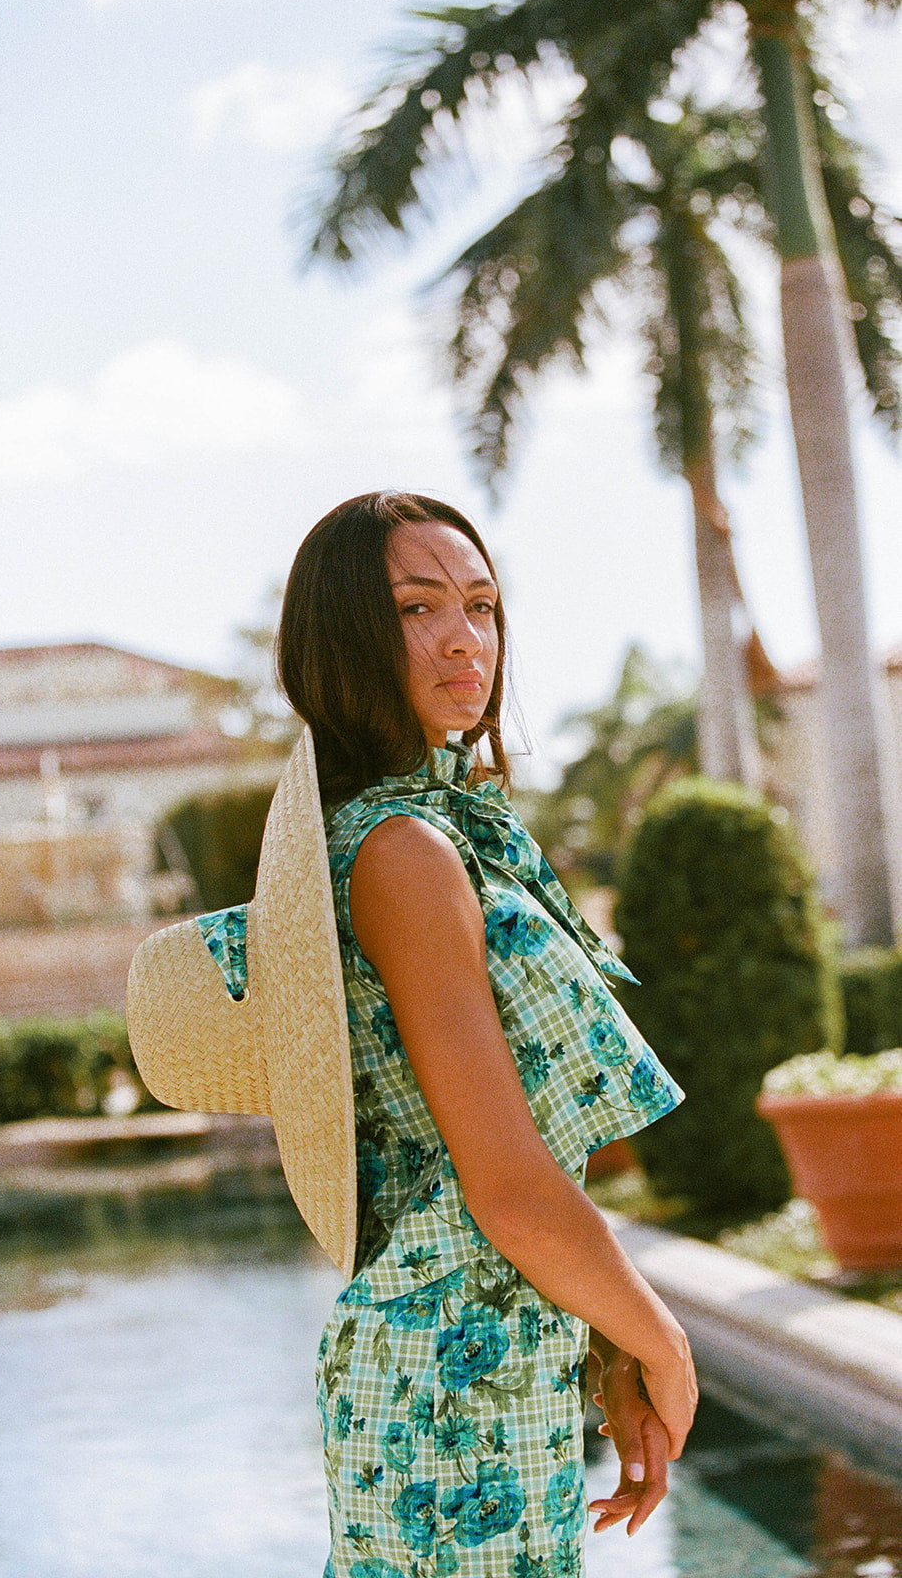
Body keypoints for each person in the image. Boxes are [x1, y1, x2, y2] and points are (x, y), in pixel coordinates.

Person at [275, 490, 698, 1578]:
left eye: (481, 603)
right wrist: (663, 1338)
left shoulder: (417, 831)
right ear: (347, 640)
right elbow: (502, 1183)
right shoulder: (403, 850)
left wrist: (601, 1340)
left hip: (470, 1355)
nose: (465, 635)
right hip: (449, 1380)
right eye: (418, 607)